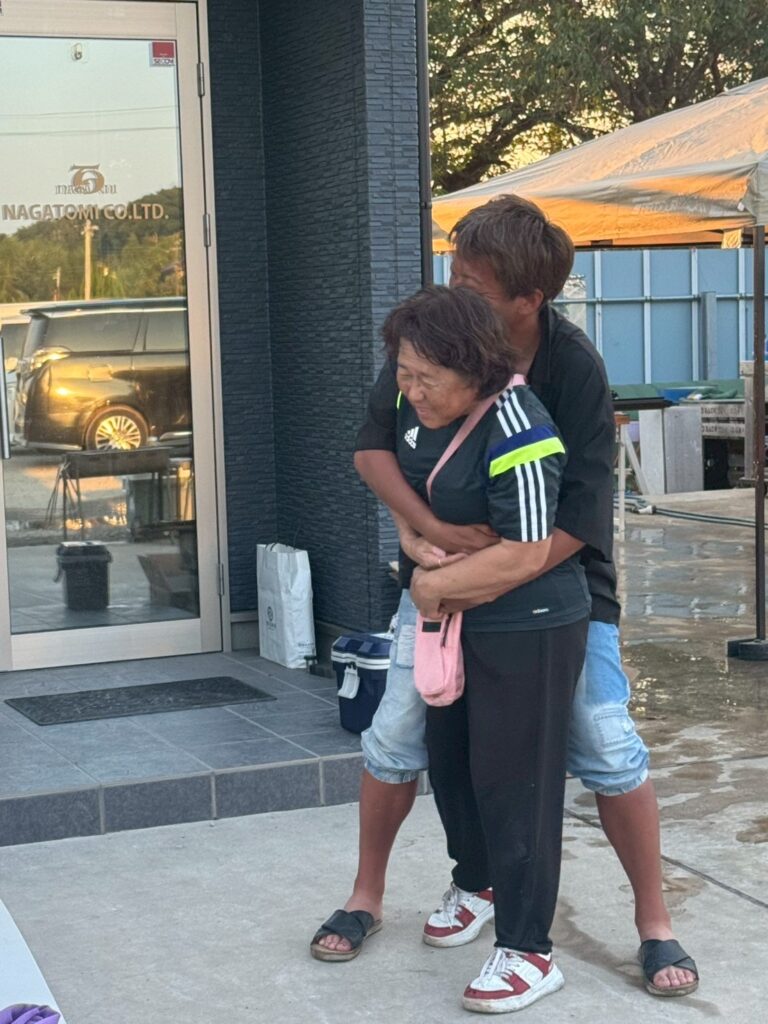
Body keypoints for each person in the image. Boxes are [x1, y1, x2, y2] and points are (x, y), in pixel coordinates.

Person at [311, 195, 698, 999]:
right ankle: (375, 894)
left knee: (603, 743)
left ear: (529, 299)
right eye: (454, 273)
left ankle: (654, 921)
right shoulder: (436, 342)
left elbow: (578, 520)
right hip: (443, 581)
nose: (456, 290)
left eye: (474, 284)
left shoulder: (571, 368)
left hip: (554, 587)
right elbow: (372, 447)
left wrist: (475, 575)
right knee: (401, 735)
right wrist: (427, 536)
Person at [314, 285, 590, 1013]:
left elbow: (527, 553)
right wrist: (414, 539)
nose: (410, 391)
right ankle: (477, 882)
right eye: (404, 373)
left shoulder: (520, 428)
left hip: (530, 623)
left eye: (426, 378)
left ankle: (529, 950)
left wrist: (432, 587)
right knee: (455, 762)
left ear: (476, 369)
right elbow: (395, 475)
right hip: (457, 617)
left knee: (517, 782)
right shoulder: (417, 405)